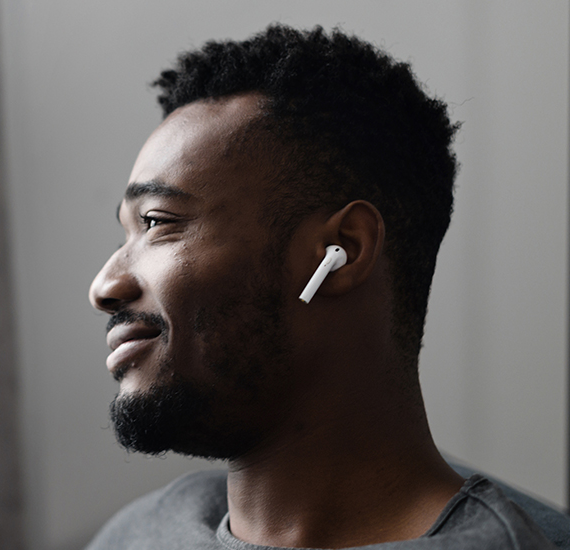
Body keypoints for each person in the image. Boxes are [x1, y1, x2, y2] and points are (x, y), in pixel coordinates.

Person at [86, 24, 568, 549]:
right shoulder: (134, 536)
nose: (104, 286)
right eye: (125, 231)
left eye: (157, 222)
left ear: (341, 253)